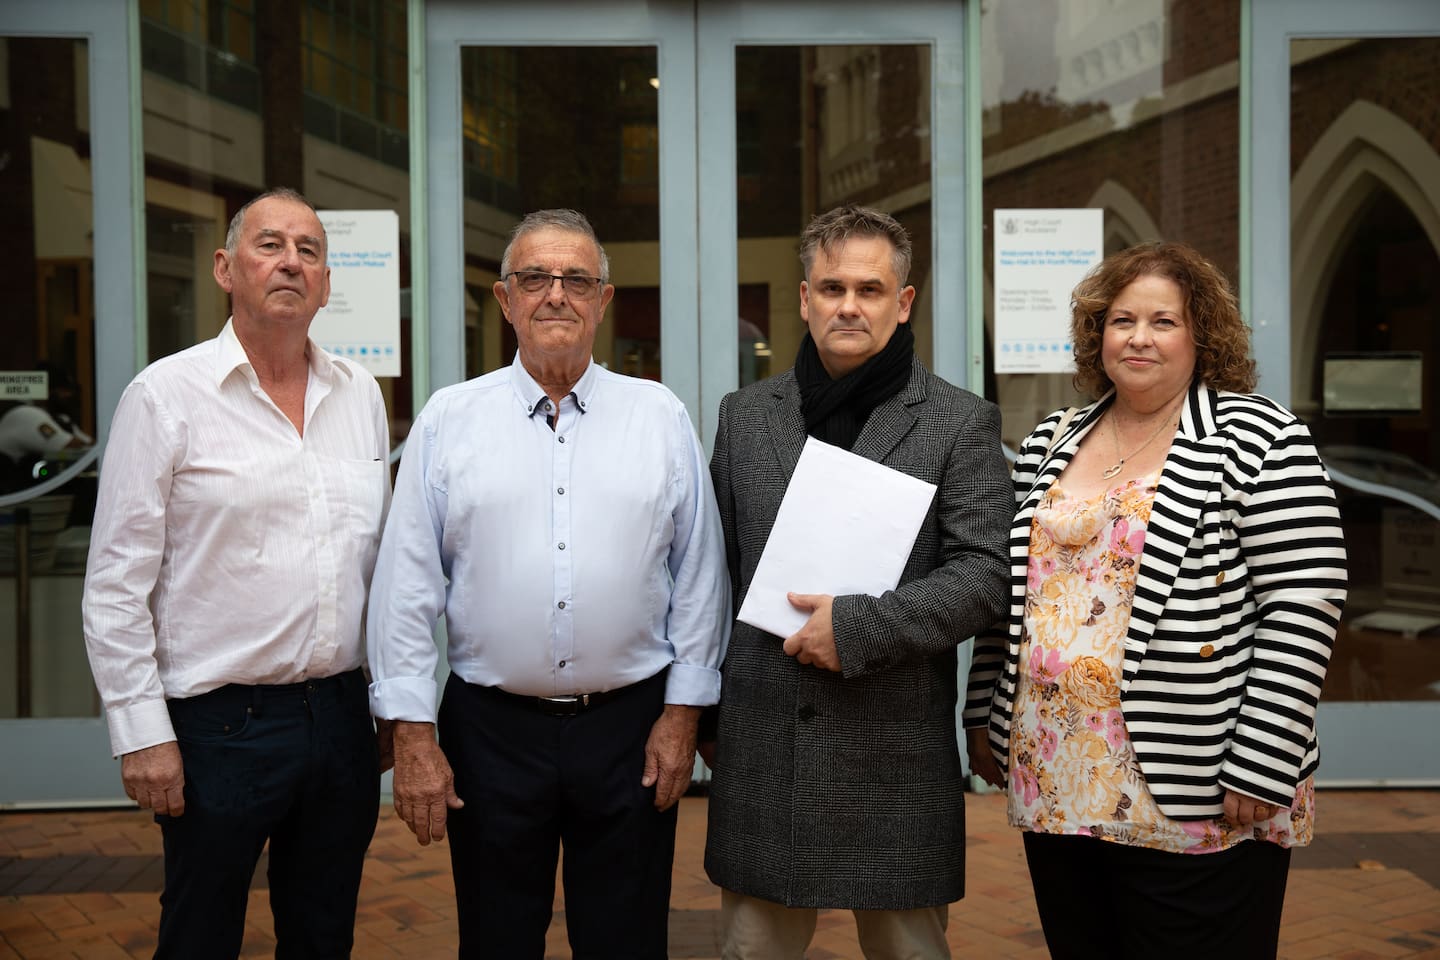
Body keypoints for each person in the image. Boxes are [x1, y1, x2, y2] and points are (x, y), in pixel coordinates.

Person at [965, 240, 1348, 959]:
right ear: (1096, 334)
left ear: (1203, 335)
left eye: (1163, 322)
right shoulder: (1052, 438)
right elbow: (1009, 594)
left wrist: (1263, 757)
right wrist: (983, 709)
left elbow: (1305, 599)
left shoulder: (1259, 437)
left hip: (1199, 773)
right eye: (1121, 319)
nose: (1138, 337)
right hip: (1058, 772)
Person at [367, 208, 730, 959]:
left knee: (626, 941)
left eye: (576, 279)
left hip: (629, 728)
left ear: (603, 299)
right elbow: (405, 587)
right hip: (490, 732)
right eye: (535, 277)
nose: (555, 294)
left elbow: (699, 576)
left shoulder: (658, 417)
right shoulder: (448, 421)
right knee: (496, 941)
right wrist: (410, 732)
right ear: (506, 300)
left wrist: (684, 714)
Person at [82, 188, 392, 959]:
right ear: (226, 267)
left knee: (324, 936)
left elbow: (379, 567)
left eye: (309, 250)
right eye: (269, 244)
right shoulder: (164, 397)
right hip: (220, 726)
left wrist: (387, 702)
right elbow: (116, 582)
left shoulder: (361, 397)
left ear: (325, 283)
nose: (290, 261)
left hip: (341, 720)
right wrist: (140, 732)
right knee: (200, 936)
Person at [703, 204, 1012, 959]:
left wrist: (858, 627)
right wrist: (704, 711)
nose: (849, 305)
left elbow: (985, 574)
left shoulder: (958, 422)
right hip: (764, 746)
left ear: (903, 303)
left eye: (870, 290)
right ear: (804, 298)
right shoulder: (744, 417)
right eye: (832, 287)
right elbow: (717, 575)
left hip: (894, 751)